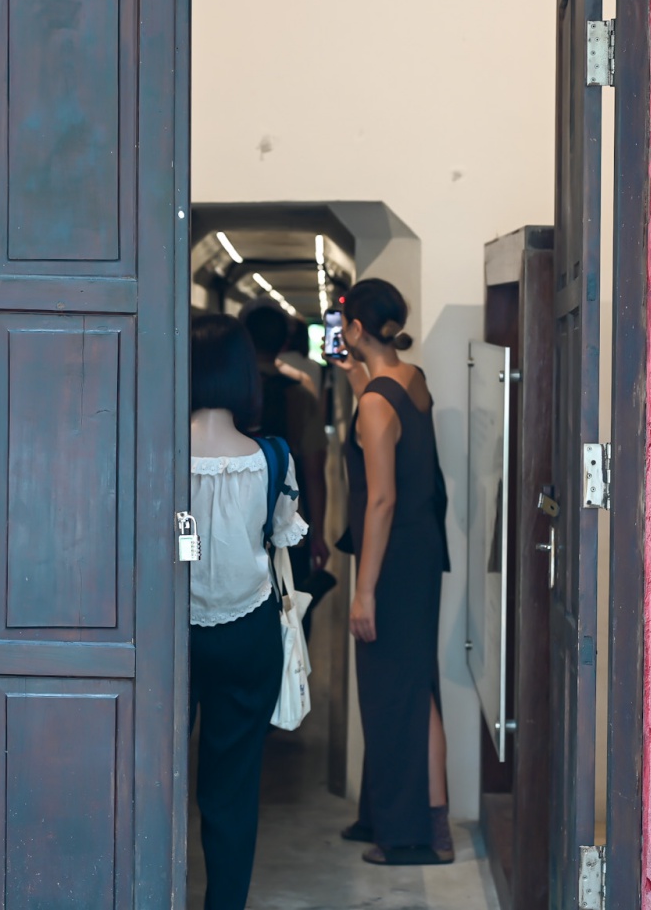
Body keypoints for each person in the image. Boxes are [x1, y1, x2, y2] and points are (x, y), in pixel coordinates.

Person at [189, 313, 309, 909]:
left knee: (145, 774)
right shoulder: (273, 458)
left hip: (166, 639)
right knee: (230, 789)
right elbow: (283, 537)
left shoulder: (149, 449)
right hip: (248, 631)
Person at [333, 278, 453, 866]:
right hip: (420, 550)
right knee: (411, 685)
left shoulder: (377, 404)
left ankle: (411, 836)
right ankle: (408, 819)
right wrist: (360, 382)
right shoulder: (412, 382)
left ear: (354, 330)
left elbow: (380, 500)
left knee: (396, 693)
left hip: (393, 561)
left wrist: (364, 591)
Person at [242, 306, 333, 619]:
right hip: (287, 520)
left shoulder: (225, 390)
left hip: (236, 519)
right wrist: (318, 534)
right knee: (290, 608)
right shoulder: (300, 394)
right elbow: (314, 472)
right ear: (283, 343)